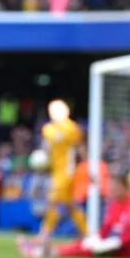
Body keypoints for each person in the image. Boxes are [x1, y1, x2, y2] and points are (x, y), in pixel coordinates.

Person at [19, 176, 130, 258]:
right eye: (112, 187)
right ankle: (46, 250)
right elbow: (107, 228)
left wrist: (110, 243)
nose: (112, 190)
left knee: (89, 249)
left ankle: (49, 252)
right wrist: (98, 239)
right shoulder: (115, 205)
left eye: (116, 188)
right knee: (85, 243)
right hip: (121, 245)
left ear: (125, 188)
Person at [35, 99, 88, 242]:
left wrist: (87, 166)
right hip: (55, 172)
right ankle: (87, 234)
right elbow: (46, 150)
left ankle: (44, 236)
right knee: (71, 206)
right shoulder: (48, 130)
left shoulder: (71, 128)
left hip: (67, 172)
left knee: (52, 202)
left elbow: (80, 147)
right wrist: (43, 163)